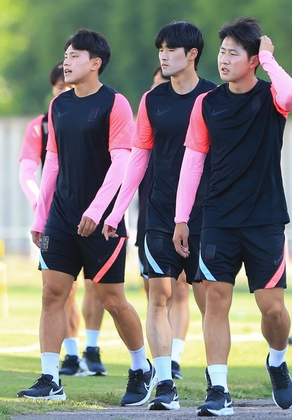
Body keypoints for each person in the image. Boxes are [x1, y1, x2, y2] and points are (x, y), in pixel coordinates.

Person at [17, 29, 155, 405]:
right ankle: (50, 379)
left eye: (75, 55)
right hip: (61, 218)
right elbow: (53, 164)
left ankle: (141, 368)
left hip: (103, 220)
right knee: (52, 294)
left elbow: (122, 162)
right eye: (66, 54)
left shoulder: (115, 103)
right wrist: (40, 215)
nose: (67, 60)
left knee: (112, 299)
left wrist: (98, 211)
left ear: (95, 63)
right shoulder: (58, 107)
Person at [172, 16, 292, 416]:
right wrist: (181, 218)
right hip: (218, 218)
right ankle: (219, 390)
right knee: (216, 302)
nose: (224, 60)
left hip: (264, 219)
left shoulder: (270, 98)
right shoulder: (206, 104)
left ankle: (277, 360)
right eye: (222, 52)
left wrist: (270, 60)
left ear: (253, 60)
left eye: (233, 53)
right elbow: (192, 163)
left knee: (273, 309)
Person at [103, 21, 215, 410]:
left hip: (206, 214)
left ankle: (217, 382)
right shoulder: (151, 100)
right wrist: (116, 210)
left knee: (209, 300)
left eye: (170, 49)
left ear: (192, 54)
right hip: (159, 213)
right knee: (158, 295)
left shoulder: (214, 97)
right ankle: (165, 383)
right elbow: (138, 158)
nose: (163, 56)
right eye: (160, 50)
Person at [135, 67, 190, 382]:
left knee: (181, 289)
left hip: (186, 214)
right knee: (155, 291)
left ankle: (175, 361)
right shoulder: (148, 113)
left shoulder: (193, 115)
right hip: (151, 214)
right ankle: (162, 359)